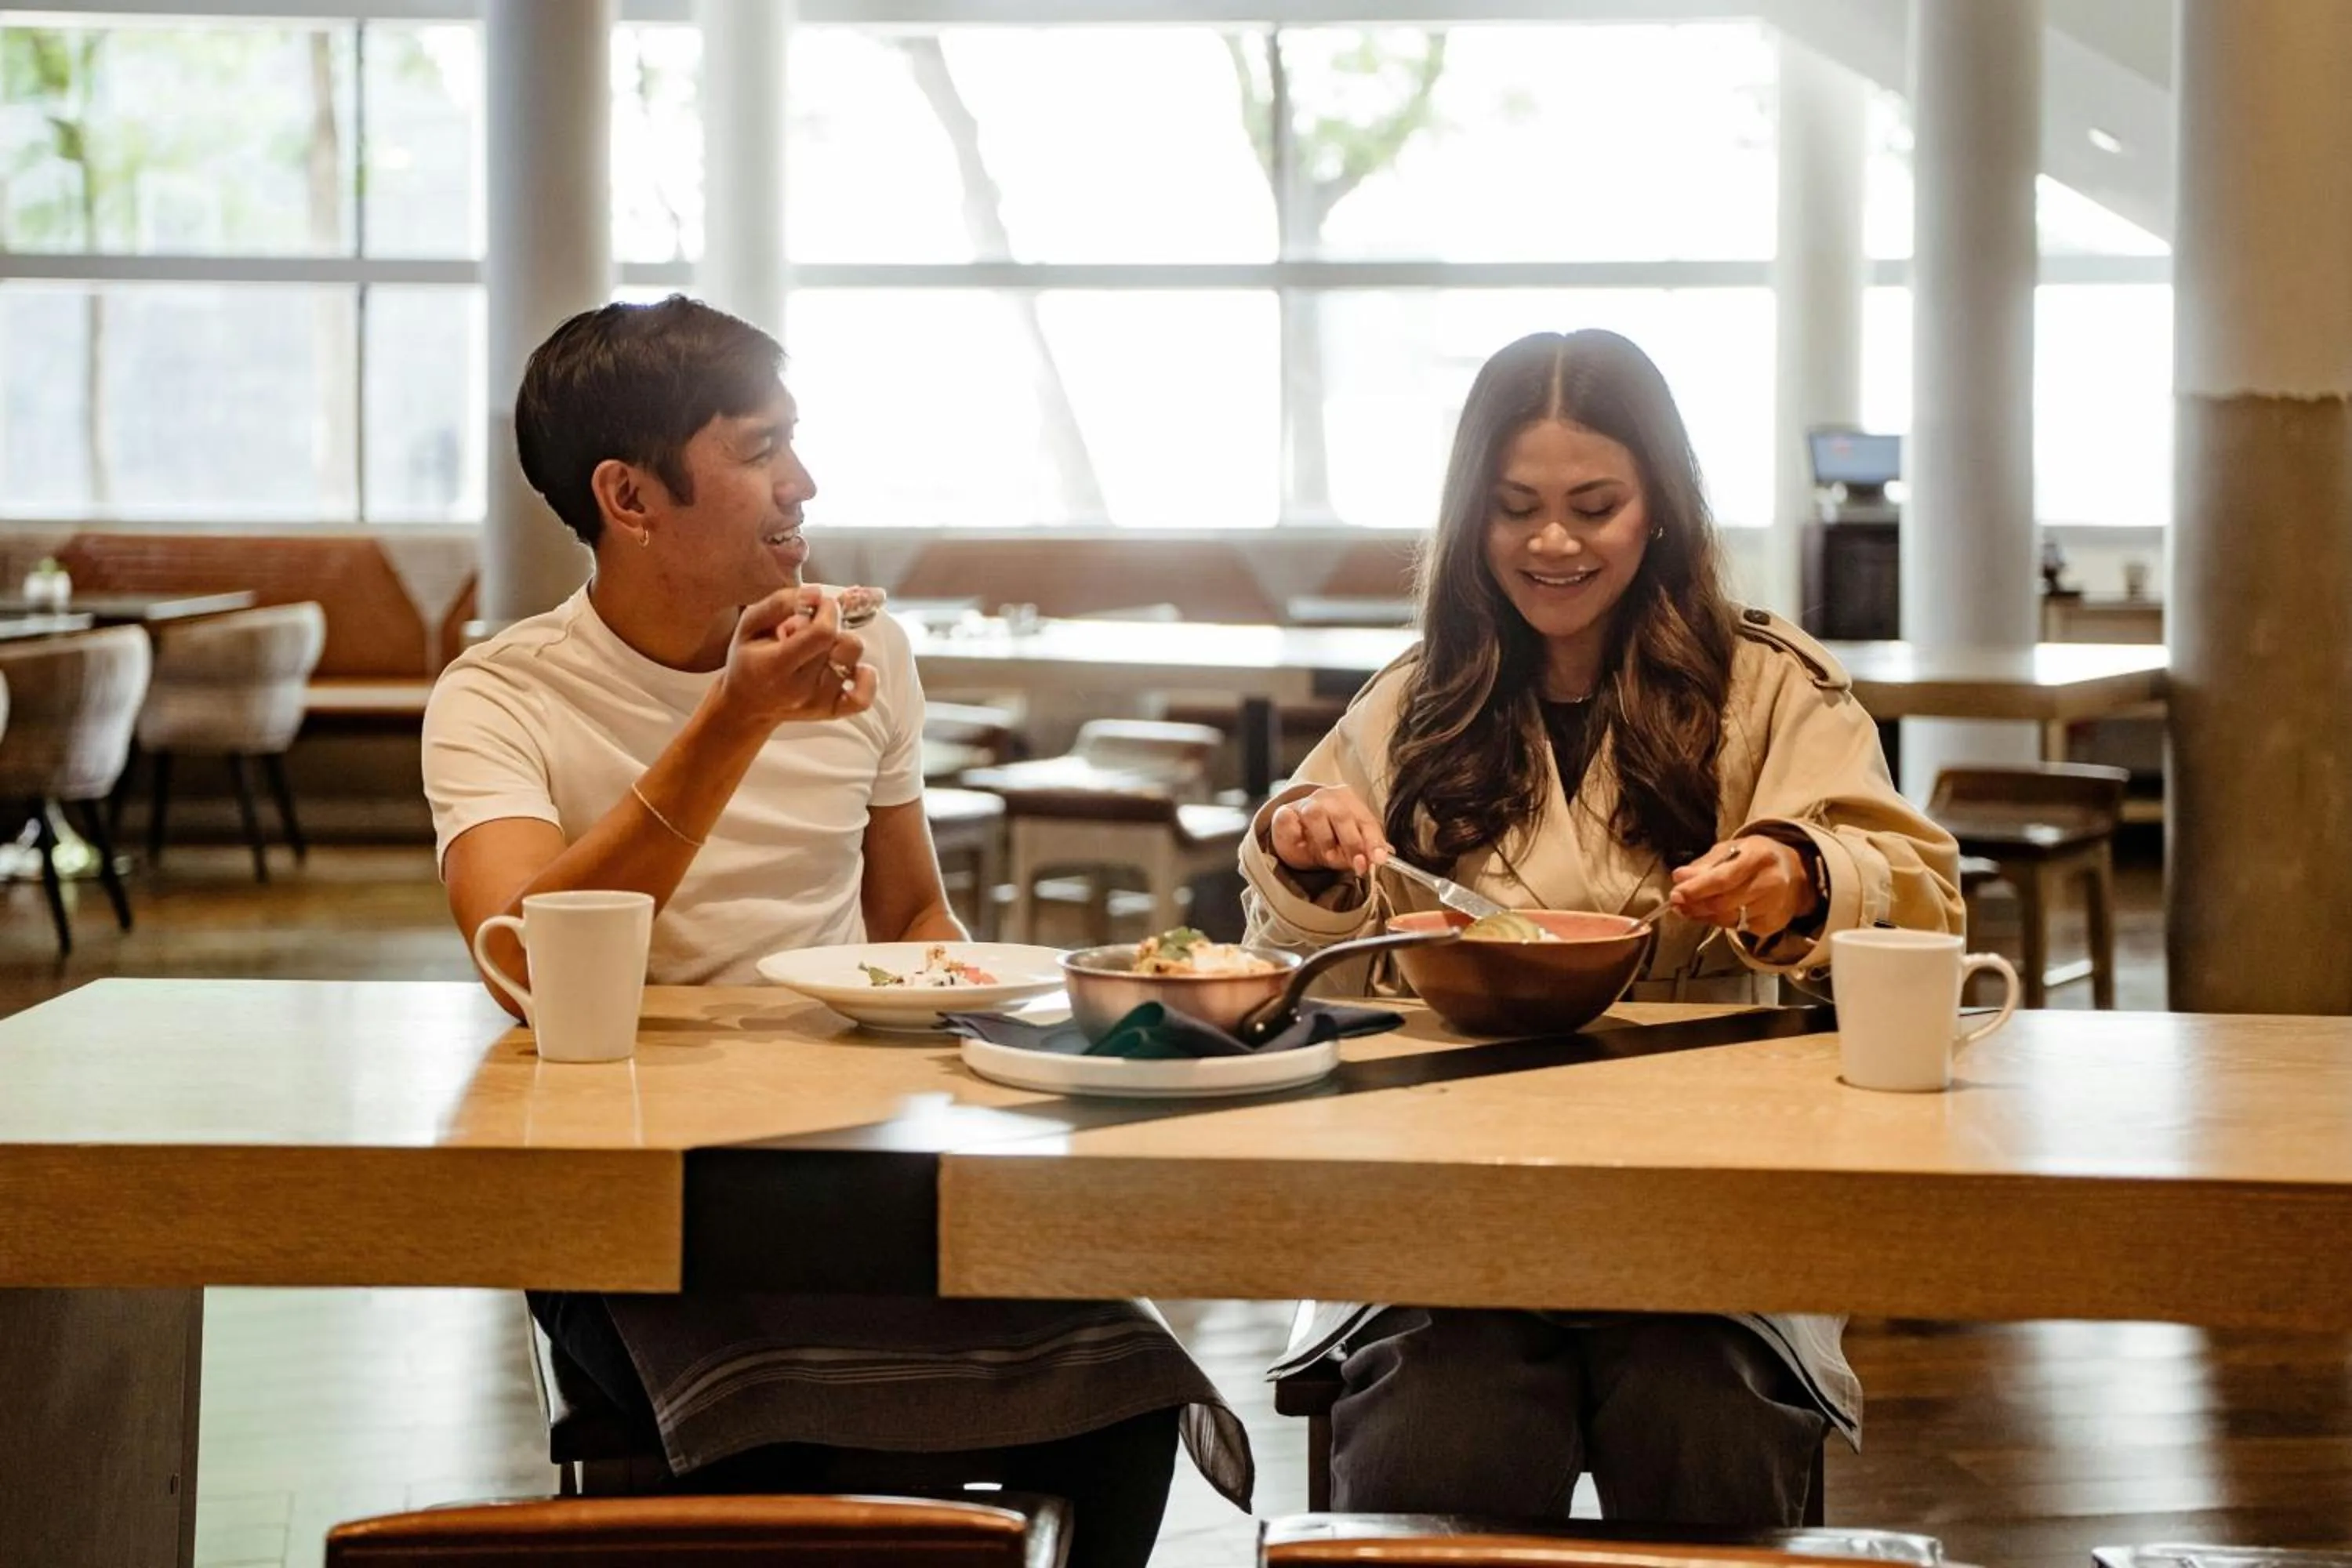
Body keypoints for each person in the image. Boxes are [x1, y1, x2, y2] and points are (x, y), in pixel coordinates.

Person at [423, 295, 1246, 1568]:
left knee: (1129, 1400)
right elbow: (527, 965)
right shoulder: (500, 696)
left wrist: (994, 1033)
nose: (801, 484)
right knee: (794, 1453)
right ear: (629, 497)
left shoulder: (871, 654)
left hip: (863, 1165)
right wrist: (734, 721)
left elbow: (912, 913)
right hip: (644, 1200)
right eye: (759, 452)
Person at [1240, 328, 1962, 1526]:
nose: (1553, 541)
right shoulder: (1419, 695)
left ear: (1660, 510)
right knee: (1437, 1435)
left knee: (1707, 1425)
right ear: (1472, 516)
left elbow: (1916, 883)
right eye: (1515, 506)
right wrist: (1306, 851)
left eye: (1595, 505)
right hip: (1447, 1213)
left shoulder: (1771, 684)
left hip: (1712, 1212)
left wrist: (1802, 874)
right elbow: (1289, 946)